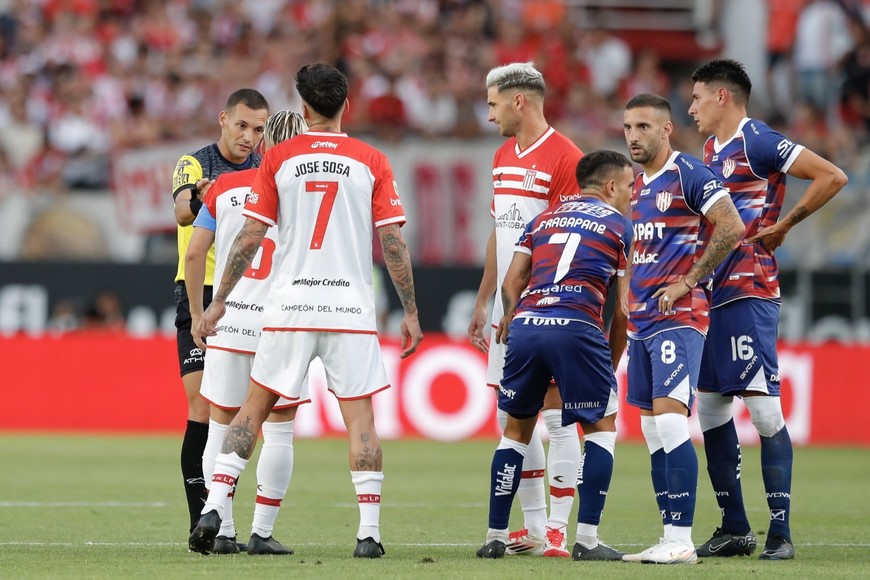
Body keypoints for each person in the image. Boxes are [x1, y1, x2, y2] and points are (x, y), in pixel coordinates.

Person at [187, 63, 423, 558]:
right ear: (346, 108)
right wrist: (411, 312)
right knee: (361, 421)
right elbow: (392, 241)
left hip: (290, 305)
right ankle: (369, 535)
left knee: (251, 409)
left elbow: (251, 238)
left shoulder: (278, 159)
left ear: (304, 109)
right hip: (348, 310)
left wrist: (221, 299)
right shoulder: (373, 160)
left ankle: (215, 504)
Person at [688, 59, 848, 561]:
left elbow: (832, 175)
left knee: (762, 409)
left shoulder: (756, 140)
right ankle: (735, 527)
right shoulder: (711, 150)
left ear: (722, 97)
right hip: (712, 294)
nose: (689, 107)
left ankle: (780, 532)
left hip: (750, 290)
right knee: (711, 409)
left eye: (696, 98)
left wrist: (787, 225)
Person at [476, 150, 633, 562]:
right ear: (611, 186)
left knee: (515, 431)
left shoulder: (542, 219)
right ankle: (585, 539)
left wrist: (512, 316)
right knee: (600, 427)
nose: (632, 195)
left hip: (528, 325)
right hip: (578, 327)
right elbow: (622, 310)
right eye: (631, 187)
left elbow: (513, 280)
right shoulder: (619, 225)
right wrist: (609, 363)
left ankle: (494, 536)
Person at [620, 93, 744, 564]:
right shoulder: (634, 185)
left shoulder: (688, 173)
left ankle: (681, 540)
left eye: (644, 127)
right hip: (643, 324)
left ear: (666, 129)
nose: (634, 136)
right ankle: (668, 536)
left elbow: (731, 227)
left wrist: (690, 280)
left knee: (673, 423)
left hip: (680, 318)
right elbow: (639, 249)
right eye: (628, 128)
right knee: (653, 432)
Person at [468, 61, 585, 558]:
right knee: (513, 417)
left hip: (547, 306)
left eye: (493, 102)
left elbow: (569, 242)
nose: (488, 113)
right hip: (506, 307)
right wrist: (485, 299)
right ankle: (534, 529)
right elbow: (502, 233)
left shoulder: (566, 158)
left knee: (556, 418)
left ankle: (558, 530)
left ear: (519, 101)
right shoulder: (500, 156)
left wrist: (531, 302)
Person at [184, 110, 308, 555]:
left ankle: (223, 531)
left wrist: (200, 312)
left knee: (220, 424)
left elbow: (196, 253)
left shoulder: (226, 188)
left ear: (262, 144)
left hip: (230, 320)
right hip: (281, 323)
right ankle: (262, 531)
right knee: (277, 430)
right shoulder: (308, 192)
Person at [171, 88, 270, 541]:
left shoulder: (265, 171)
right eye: (242, 125)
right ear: (223, 119)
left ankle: (224, 518)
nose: (249, 136)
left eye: (258, 129)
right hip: (198, 291)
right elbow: (181, 212)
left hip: (248, 294)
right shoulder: (195, 163)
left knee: (238, 412)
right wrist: (201, 199)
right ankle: (202, 521)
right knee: (202, 406)